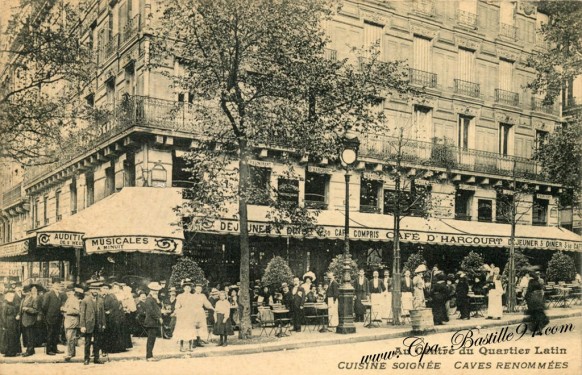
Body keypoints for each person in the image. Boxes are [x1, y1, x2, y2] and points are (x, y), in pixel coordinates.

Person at [80, 281, 106, 365]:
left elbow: (102, 314)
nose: (95, 291)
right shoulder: (85, 300)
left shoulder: (101, 300)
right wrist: (82, 326)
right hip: (88, 324)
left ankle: (96, 358)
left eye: (97, 289)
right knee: (87, 342)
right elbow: (82, 314)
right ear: (90, 290)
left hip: (98, 324)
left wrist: (103, 324)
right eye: (94, 289)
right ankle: (86, 359)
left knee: (97, 342)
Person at [42, 278, 66, 355]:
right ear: (52, 285)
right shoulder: (48, 294)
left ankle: (55, 349)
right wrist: (47, 316)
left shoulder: (60, 294)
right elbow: (44, 307)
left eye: (59, 284)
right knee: (50, 333)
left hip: (58, 317)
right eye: (56, 284)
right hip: (50, 317)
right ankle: (49, 350)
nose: (58, 285)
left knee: (56, 333)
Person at [173, 280, 197, 352]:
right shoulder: (180, 296)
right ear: (184, 288)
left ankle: (190, 347)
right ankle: (181, 347)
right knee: (182, 330)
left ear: (190, 289)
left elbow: (194, 306)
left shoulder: (193, 296)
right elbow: (177, 305)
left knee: (190, 330)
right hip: (182, 315)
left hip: (190, 314)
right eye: (186, 288)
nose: (187, 289)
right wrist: (178, 311)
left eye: (189, 288)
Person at [102, 283, 126, 354]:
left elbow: (115, 305)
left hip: (111, 317)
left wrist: (109, 311)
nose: (105, 290)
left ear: (109, 290)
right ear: (101, 289)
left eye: (106, 289)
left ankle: (111, 348)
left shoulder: (112, 296)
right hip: (103, 316)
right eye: (104, 289)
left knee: (111, 332)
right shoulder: (100, 297)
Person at [61, 286, 83, 361]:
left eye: (70, 292)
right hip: (68, 321)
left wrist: (66, 310)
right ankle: (71, 353)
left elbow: (78, 311)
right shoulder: (69, 299)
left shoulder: (74, 300)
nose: (68, 293)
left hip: (72, 322)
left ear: (73, 292)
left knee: (70, 338)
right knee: (69, 338)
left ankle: (70, 354)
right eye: (67, 292)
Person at [144, 282, 163, 361]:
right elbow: (151, 312)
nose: (156, 292)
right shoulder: (149, 299)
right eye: (155, 290)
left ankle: (150, 355)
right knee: (151, 340)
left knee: (152, 339)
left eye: (157, 290)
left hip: (154, 322)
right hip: (151, 322)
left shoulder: (154, 299)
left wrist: (158, 301)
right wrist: (158, 318)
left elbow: (159, 307)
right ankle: (149, 356)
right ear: (151, 290)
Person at [20, 285, 40, 357]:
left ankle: (29, 351)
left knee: (30, 337)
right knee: (27, 337)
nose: (24, 293)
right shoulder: (23, 299)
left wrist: (27, 309)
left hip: (30, 321)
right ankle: (31, 350)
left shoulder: (33, 299)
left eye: (26, 292)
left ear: (29, 292)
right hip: (24, 321)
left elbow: (35, 310)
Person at [2, 289, 21, 357]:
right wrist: (4, 325)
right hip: (8, 323)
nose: (12, 298)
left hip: (13, 322)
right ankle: (9, 352)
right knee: (9, 338)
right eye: (10, 297)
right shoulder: (5, 305)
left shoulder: (12, 304)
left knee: (13, 337)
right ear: (7, 298)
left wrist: (17, 315)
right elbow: (3, 315)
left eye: (12, 297)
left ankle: (14, 351)